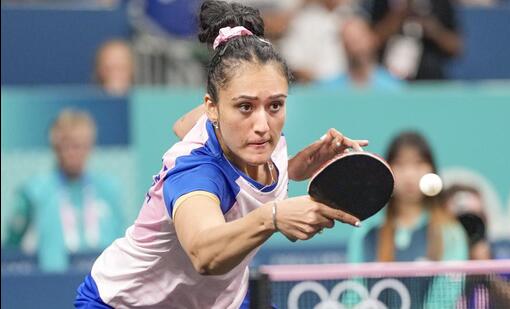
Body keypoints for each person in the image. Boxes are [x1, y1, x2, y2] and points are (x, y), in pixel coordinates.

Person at [75, 1, 366, 308]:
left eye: (275, 105)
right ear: (211, 107)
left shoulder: (256, 138)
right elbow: (204, 254)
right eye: (245, 106)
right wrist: (273, 217)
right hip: (125, 302)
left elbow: (183, 126)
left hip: (218, 299)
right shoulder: (195, 172)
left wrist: (301, 164)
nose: (263, 125)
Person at [346, 131, 467, 308]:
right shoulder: (366, 233)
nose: (409, 175)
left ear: (432, 169)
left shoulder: (450, 233)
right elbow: (354, 296)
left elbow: (445, 299)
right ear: (388, 170)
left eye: (418, 164)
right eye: (400, 164)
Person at [4, 109, 124, 272]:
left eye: (79, 146)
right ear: (55, 148)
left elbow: (122, 241)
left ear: (90, 146)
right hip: (54, 282)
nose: (72, 153)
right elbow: (12, 247)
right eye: (66, 146)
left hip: (104, 284)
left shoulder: (108, 189)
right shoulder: (35, 191)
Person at [444, 184, 510, 308]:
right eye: (462, 219)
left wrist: (486, 271)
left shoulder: (502, 261)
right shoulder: (435, 258)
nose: (468, 226)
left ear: (485, 219)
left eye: (476, 217)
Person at [362, 0, 463, 80]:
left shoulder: (439, 3)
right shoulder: (383, 3)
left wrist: (434, 30)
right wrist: (398, 15)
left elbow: (456, 47)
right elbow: (370, 41)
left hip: (428, 80)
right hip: (389, 79)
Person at [317, 16, 405, 90]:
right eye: (350, 41)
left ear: (371, 39)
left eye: (359, 40)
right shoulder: (328, 90)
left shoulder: (394, 88)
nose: (356, 47)